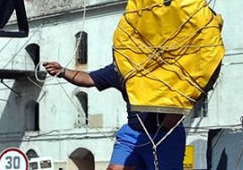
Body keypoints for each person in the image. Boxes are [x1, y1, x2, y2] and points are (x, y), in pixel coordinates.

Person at [43, 60, 186, 170]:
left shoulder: (169, 63)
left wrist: (179, 110)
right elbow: (88, 78)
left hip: (165, 135)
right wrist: (62, 71)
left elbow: (196, 82)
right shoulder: (122, 67)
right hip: (132, 134)